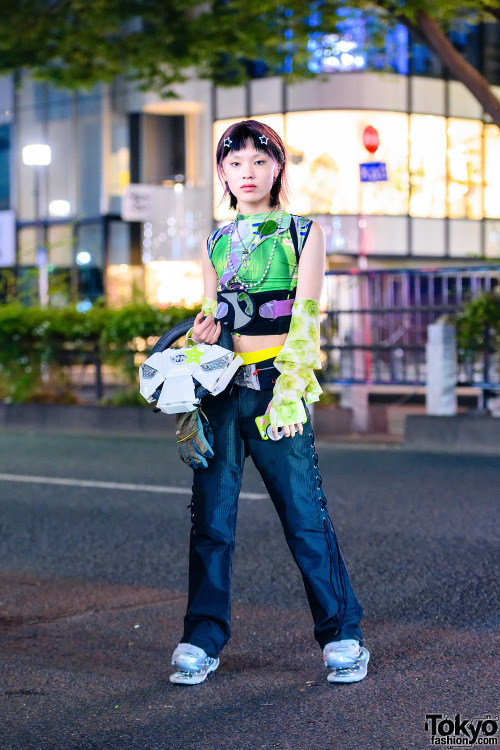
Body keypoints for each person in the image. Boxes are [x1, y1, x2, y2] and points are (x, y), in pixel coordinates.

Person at [170, 119, 369, 685]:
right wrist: (199, 338)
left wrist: (291, 391)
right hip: (221, 391)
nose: (247, 173)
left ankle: (342, 634)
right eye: (235, 164)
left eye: (259, 161)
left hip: (278, 388)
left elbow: (307, 320)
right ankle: (201, 637)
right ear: (222, 173)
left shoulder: (303, 234)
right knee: (211, 520)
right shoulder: (215, 242)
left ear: (278, 168)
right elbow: (210, 321)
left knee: (305, 517)